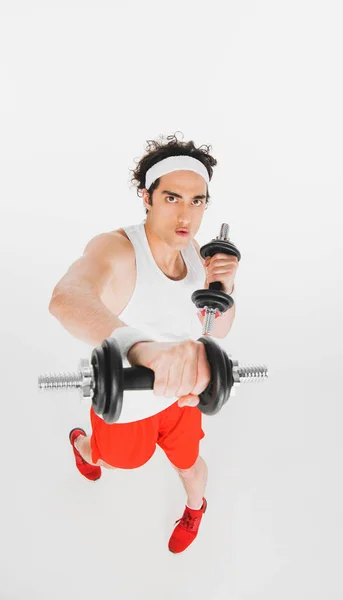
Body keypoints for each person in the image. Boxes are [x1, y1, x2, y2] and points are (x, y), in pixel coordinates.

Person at [48, 132, 239, 554]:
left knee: (190, 466)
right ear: (146, 196)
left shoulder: (196, 255)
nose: (186, 214)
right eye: (172, 198)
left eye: (198, 201)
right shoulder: (116, 249)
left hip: (180, 398)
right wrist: (140, 348)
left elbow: (217, 332)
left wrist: (222, 290)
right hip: (128, 401)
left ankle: (195, 507)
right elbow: (66, 299)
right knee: (115, 460)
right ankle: (83, 445)